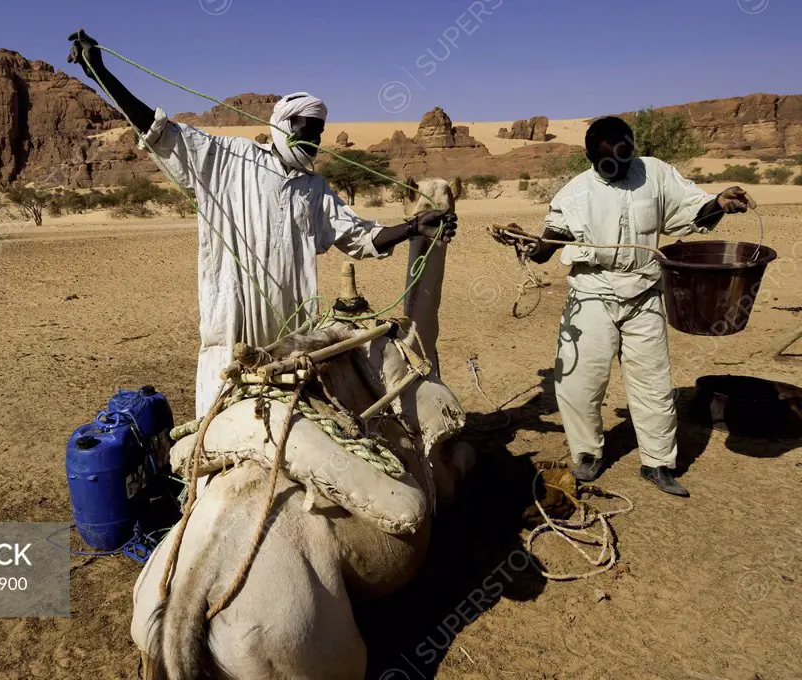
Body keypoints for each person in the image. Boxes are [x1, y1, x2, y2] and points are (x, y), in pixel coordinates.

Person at [67, 30, 458, 417]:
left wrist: (414, 227)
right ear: (285, 127)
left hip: (295, 351)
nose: (315, 142)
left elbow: (362, 236)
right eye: (308, 132)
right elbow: (156, 132)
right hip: (231, 342)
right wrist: (100, 72)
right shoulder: (225, 159)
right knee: (218, 448)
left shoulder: (315, 189)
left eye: (319, 134)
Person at [494, 116, 751, 497]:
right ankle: (587, 454)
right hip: (591, 298)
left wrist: (719, 202)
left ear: (632, 148)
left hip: (645, 296)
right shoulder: (573, 193)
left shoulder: (656, 173)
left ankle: (658, 463)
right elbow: (546, 250)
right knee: (579, 384)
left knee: (654, 384)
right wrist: (523, 242)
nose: (617, 170)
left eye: (625, 159)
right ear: (589, 157)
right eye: (606, 165)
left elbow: (696, 211)